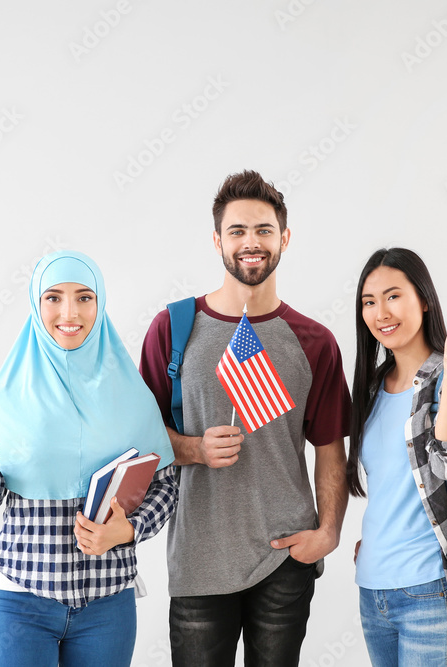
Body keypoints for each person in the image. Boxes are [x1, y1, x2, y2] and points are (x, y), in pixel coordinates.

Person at [138, 170, 351, 666]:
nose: (250, 243)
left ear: (284, 239)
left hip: (284, 558)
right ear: (217, 241)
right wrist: (194, 449)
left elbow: (329, 451)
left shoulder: (314, 341)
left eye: (262, 230)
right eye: (237, 231)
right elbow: (138, 441)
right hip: (198, 561)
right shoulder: (172, 327)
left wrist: (329, 531)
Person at [0, 249, 177, 667]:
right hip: (22, 598)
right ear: (36, 305)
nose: (69, 311)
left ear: (101, 303)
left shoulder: (131, 392)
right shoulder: (6, 391)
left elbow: (166, 486)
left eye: (84, 297)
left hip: (107, 602)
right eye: (53, 297)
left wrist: (129, 530)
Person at [347, 247, 447, 666]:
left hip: (430, 589)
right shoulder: (371, 389)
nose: (380, 313)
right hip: (374, 590)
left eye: (393, 296)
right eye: (369, 302)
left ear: (423, 300)